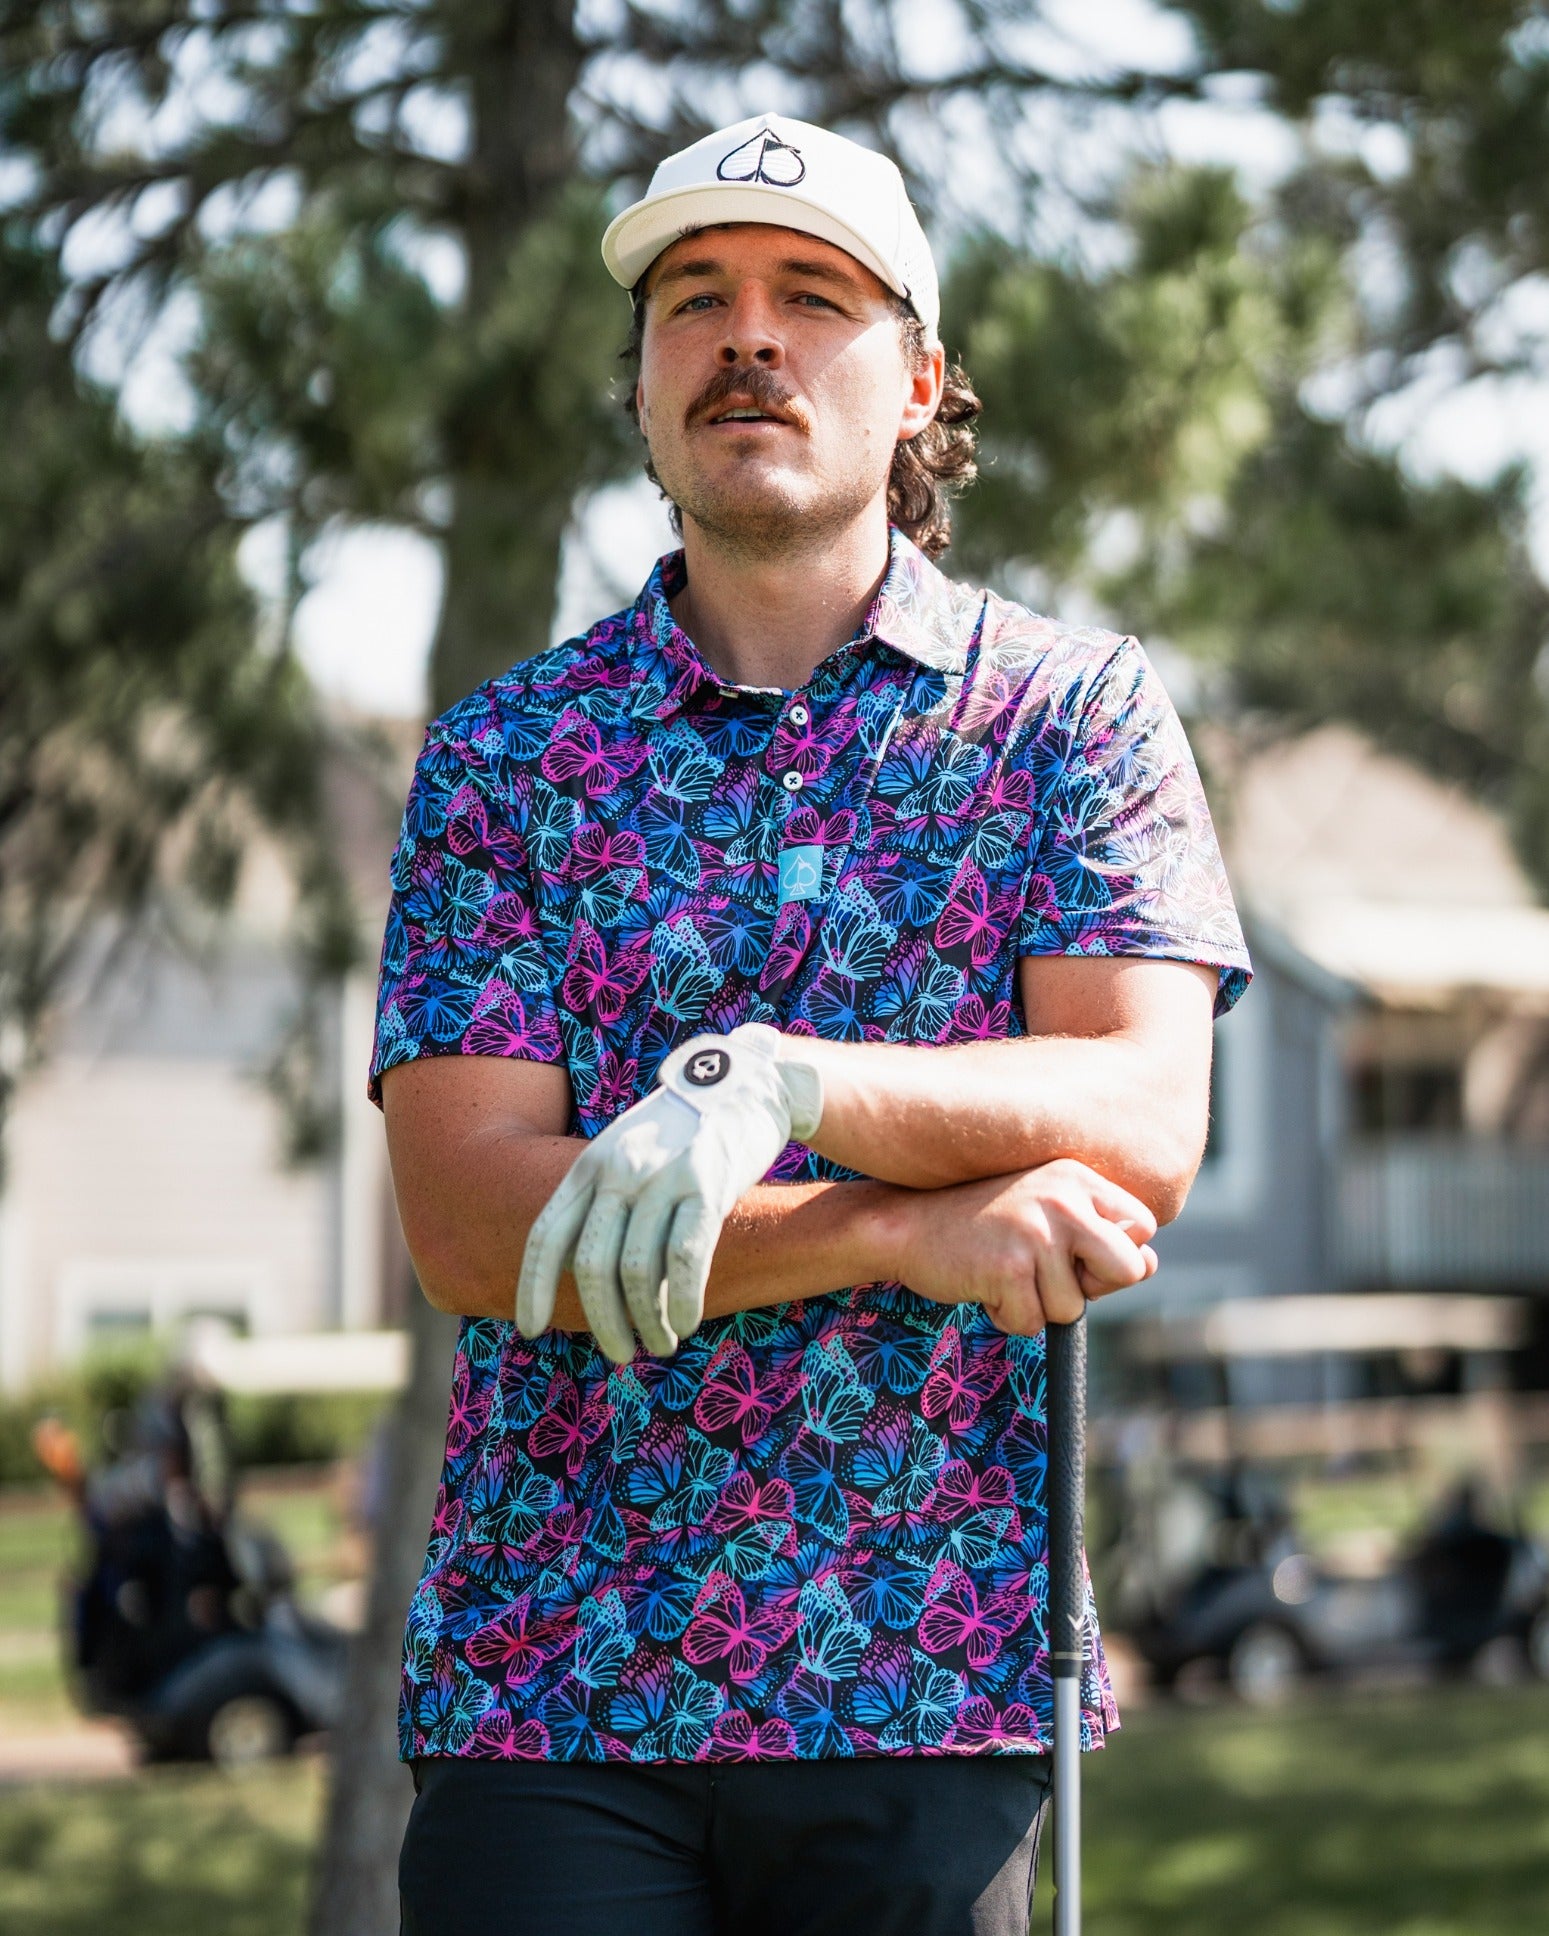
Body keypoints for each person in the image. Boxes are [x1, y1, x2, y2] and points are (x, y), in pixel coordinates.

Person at [374, 110, 1251, 1936]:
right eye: (694, 302)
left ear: (919, 379)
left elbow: (1139, 1115)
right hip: (554, 1692)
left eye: (810, 297)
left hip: (929, 1682)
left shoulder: (1070, 716)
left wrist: (777, 1085)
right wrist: (901, 1230)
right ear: (643, 385)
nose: (747, 337)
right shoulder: (505, 758)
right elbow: (469, 1227)